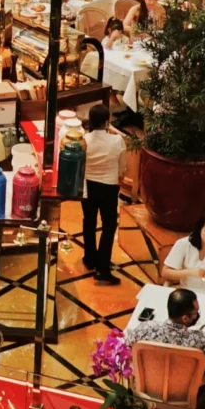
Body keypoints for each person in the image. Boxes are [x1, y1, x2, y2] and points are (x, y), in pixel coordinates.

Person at [81, 104, 127, 286]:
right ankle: (103, 268)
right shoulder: (117, 141)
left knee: (89, 221)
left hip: (87, 187)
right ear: (107, 121)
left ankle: (89, 258)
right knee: (108, 225)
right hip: (108, 187)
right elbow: (122, 169)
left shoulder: (85, 140)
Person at [125, 288, 205, 372]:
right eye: (195, 313)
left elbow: (126, 349)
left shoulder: (144, 329)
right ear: (185, 318)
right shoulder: (201, 340)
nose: (197, 316)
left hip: (149, 382)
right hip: (185, 387)